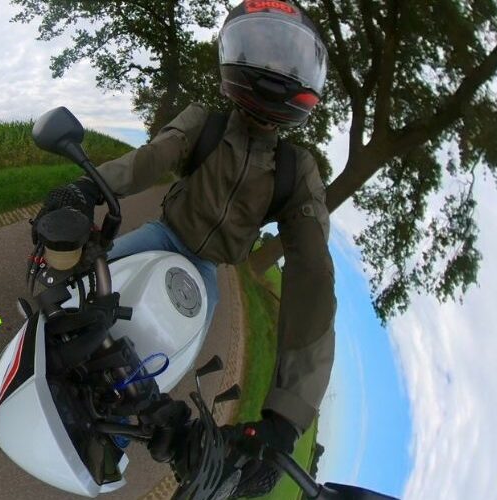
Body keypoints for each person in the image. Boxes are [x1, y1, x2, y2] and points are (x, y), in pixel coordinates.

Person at [34, 1, 335, 496]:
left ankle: (112, 438)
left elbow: (313, 273)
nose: (274, 71)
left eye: (287, 61)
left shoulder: (297, 171)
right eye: (264, 52)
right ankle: (32, 335)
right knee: (77, 289)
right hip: (162, 235)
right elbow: (152, 158)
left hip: (207, 272)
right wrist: (86, 188)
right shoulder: (204, 122)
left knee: (159, 365)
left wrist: (287, 415)